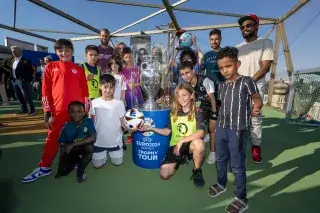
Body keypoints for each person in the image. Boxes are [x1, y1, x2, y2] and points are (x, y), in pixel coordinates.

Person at [22, 39, 89, 183]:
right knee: (52, 139)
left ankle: (74, 161)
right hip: (57, 111)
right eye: (61, 50)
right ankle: (45, 167)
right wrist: (47, 111)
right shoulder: (50, 67)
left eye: (67, 50)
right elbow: (45, 91)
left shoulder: (79, 69)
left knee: (76, 138)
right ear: (56, 52)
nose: (64, 53)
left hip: (76, 112)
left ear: (72, 51)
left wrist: (86, 110)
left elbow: (85, 92)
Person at [207, 47, 262, 213]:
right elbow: (222, 106)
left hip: (237, 129)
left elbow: (256, 99)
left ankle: (241, 198)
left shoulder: (247, 81)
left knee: (237, 165)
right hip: (221, 128)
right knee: (220, 159)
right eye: (221, 68)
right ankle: (221, 184)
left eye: (228, 66)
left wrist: (257, 107)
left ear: (237, 64)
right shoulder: (222, 86)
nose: (224, 70)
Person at [139, 83, 206, 188]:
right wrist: (151, 128)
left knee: (199, 144)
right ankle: (180, 160)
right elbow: (167, 131)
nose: (181, 98)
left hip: (191, 144)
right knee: (164, 174)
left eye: (184, 95)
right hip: (176, 146)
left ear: (191, 95)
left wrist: (182, 141)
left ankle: (197, 169)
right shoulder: (174, 113)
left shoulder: (198, 112)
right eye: (179, 96)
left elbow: (201, 132)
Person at [236, 14, 274, 163]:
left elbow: (265, 67)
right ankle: (238, 146)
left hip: (255, 87)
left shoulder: (266, 42)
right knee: (238, 118)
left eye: (248, 25)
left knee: (255, 118)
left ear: (256, 26)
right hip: (239, 87)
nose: (245, 29)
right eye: (242, 27)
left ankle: (256, 146)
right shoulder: (237, 48)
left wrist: (248, 82)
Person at [179, 49, 218, 165]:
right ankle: (189, 149)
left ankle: (213, 153)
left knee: (212, 130)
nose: (185, 76)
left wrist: (214, 113)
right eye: (182, 74)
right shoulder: (187, 84)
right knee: (193, 122)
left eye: (187, 73)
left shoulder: (205, 80)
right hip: (204, 105)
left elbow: (212, 98)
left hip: (215, 104)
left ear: (193, 70)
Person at [89, 74, 127, 168]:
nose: (108, 90)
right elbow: (90, 121)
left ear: (114, 88)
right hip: (98, 142)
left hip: (115, 142)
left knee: (118, 163)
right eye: (105, 87)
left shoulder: (119, 103)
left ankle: (112, 152)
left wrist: (130, 129)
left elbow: (123, 121)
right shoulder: (94, 103)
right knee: (97, 166)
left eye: (111, 87)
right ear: (100, 87)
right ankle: (103, 154)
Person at [55, 101, 95, 183]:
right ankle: (75, 162)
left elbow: (93, 138)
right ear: (69, 113)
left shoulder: (89, 122)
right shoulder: (66, 128)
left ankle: (80, 172)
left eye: (79, 111)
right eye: (73, 112)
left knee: (90, 147)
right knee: (64, 172)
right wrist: (60, 165)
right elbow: (62, 147)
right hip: (72, 150)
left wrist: (73, 144)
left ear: (84, 113)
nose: (76, 114)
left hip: (83, 146)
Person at [10, 46, 35, 115]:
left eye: (15, 51)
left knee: (27, 96)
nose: (13, 52)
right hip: (15, 81)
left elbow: (30, 71)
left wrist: (25, 79)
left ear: (20, 52)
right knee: (19, 96)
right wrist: (12, 79)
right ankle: (24, 109)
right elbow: (12, 71)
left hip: (23, 81)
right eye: (12, 51)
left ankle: (32, 110)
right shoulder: (12, 60)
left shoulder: (26, 60)